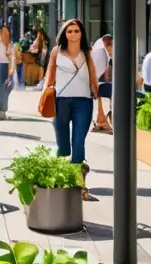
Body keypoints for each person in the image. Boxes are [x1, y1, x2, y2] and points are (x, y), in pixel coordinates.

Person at [42, 18, 100, 199]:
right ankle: (59, 179)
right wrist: (44, 96)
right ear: (64, 34)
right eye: (69, 31)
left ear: (82, 33)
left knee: (78, 143)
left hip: (83, 102)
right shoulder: (56, 52)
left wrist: (98, 96)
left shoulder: (87, 52)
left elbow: (93, 77)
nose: (73, 34)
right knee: (64, 146)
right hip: (61, 102)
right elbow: (49, 77)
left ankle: (79, 186)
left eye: (76, 31)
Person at [91, 34, 113, 131]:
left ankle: (101, 119)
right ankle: (102, 119)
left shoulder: (100, 49)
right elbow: (96, 75)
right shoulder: (101, 55)